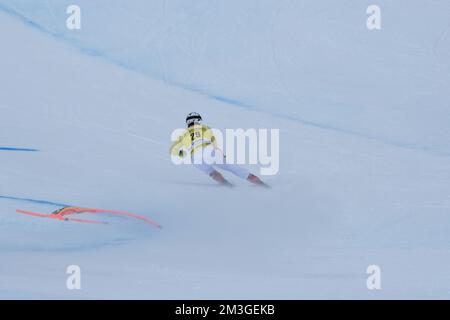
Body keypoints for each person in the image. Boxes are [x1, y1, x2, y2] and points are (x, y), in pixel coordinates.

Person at [170, 112, 268, 187]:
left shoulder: (183, 134)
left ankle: (228, 188)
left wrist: (181, 154)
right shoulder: (204, 128)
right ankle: (257, 181)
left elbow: (173, 150)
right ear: (198, 121)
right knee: (230, 167)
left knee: (211, 172)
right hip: (208, 150)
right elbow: (213, 141)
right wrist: (221, 153)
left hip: (195, 158)